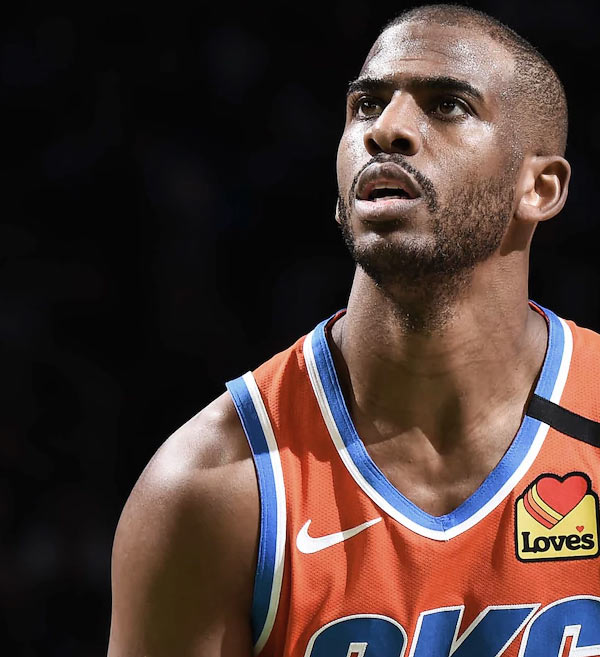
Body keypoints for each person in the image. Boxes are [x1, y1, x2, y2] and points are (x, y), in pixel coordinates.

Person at [108, 4, 600, 656]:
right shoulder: (213, 486)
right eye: (367, 106)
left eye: (447, 106)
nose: (387, 129)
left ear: (539, 187)